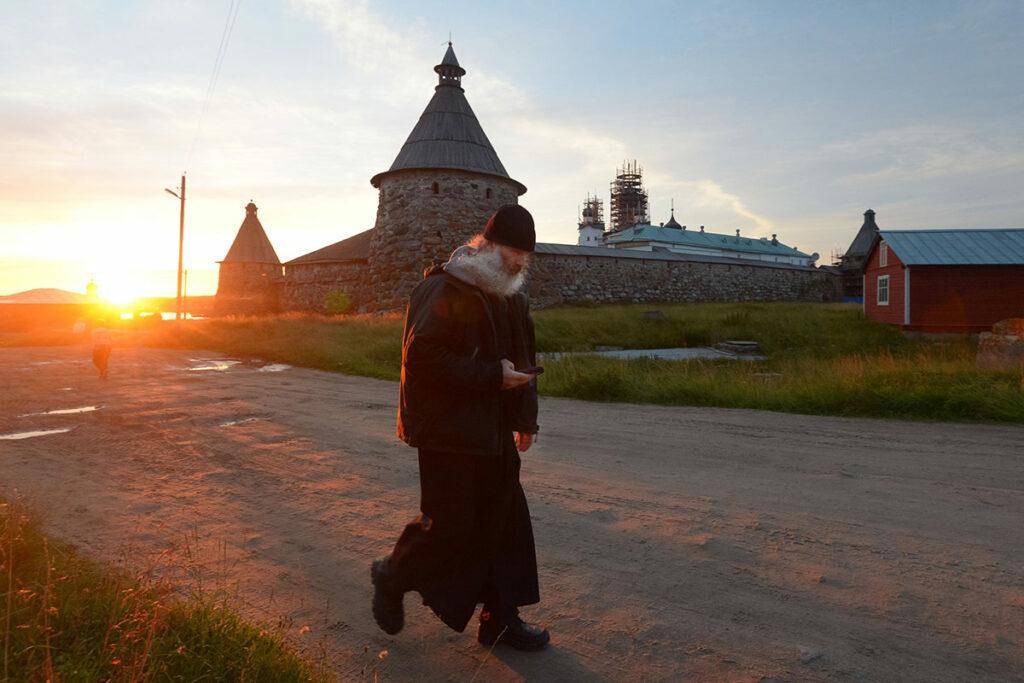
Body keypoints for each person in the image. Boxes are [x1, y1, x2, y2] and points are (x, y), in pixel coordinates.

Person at [371, 204, 550, 651]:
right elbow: (424, 358)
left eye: (526, 255)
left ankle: (500, 620)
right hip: (447, 433)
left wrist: (525, 417)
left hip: (492, 433)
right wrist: (492, 376)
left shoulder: (512, 298)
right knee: (449, 527)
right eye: (512, 251)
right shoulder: (444, 288)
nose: (519, 262)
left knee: (505, 525)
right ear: (487, 245)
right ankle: (392, 575)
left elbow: (522, 360)